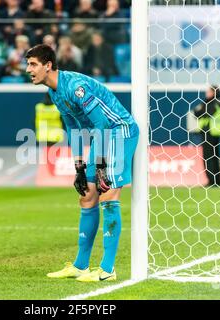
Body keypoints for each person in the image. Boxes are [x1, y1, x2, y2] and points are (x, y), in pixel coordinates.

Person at [25, 44, 139, 282]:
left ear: (48, 65)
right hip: (103, 135)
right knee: (87, 195)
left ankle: (107, 269)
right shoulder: (55, 92)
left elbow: (102, 125)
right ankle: (80, 266)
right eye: (28, 64)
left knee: (107, 194)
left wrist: (99, 166)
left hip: (119, 131)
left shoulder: (75, 87)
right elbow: (73, 127)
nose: (28, 69)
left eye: (33, 64)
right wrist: (79, 166)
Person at [193, 85, 220, 187]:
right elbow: (197, 113)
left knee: (210, 157)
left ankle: (213, 180)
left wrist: (201, 109)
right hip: (207, 132)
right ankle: (213, 180)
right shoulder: (209, 103)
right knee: (212, 157)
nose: (206, 94)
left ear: (214, 92)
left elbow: (204, 113)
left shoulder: (216, 103)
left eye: (208, 92)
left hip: (212, 133)